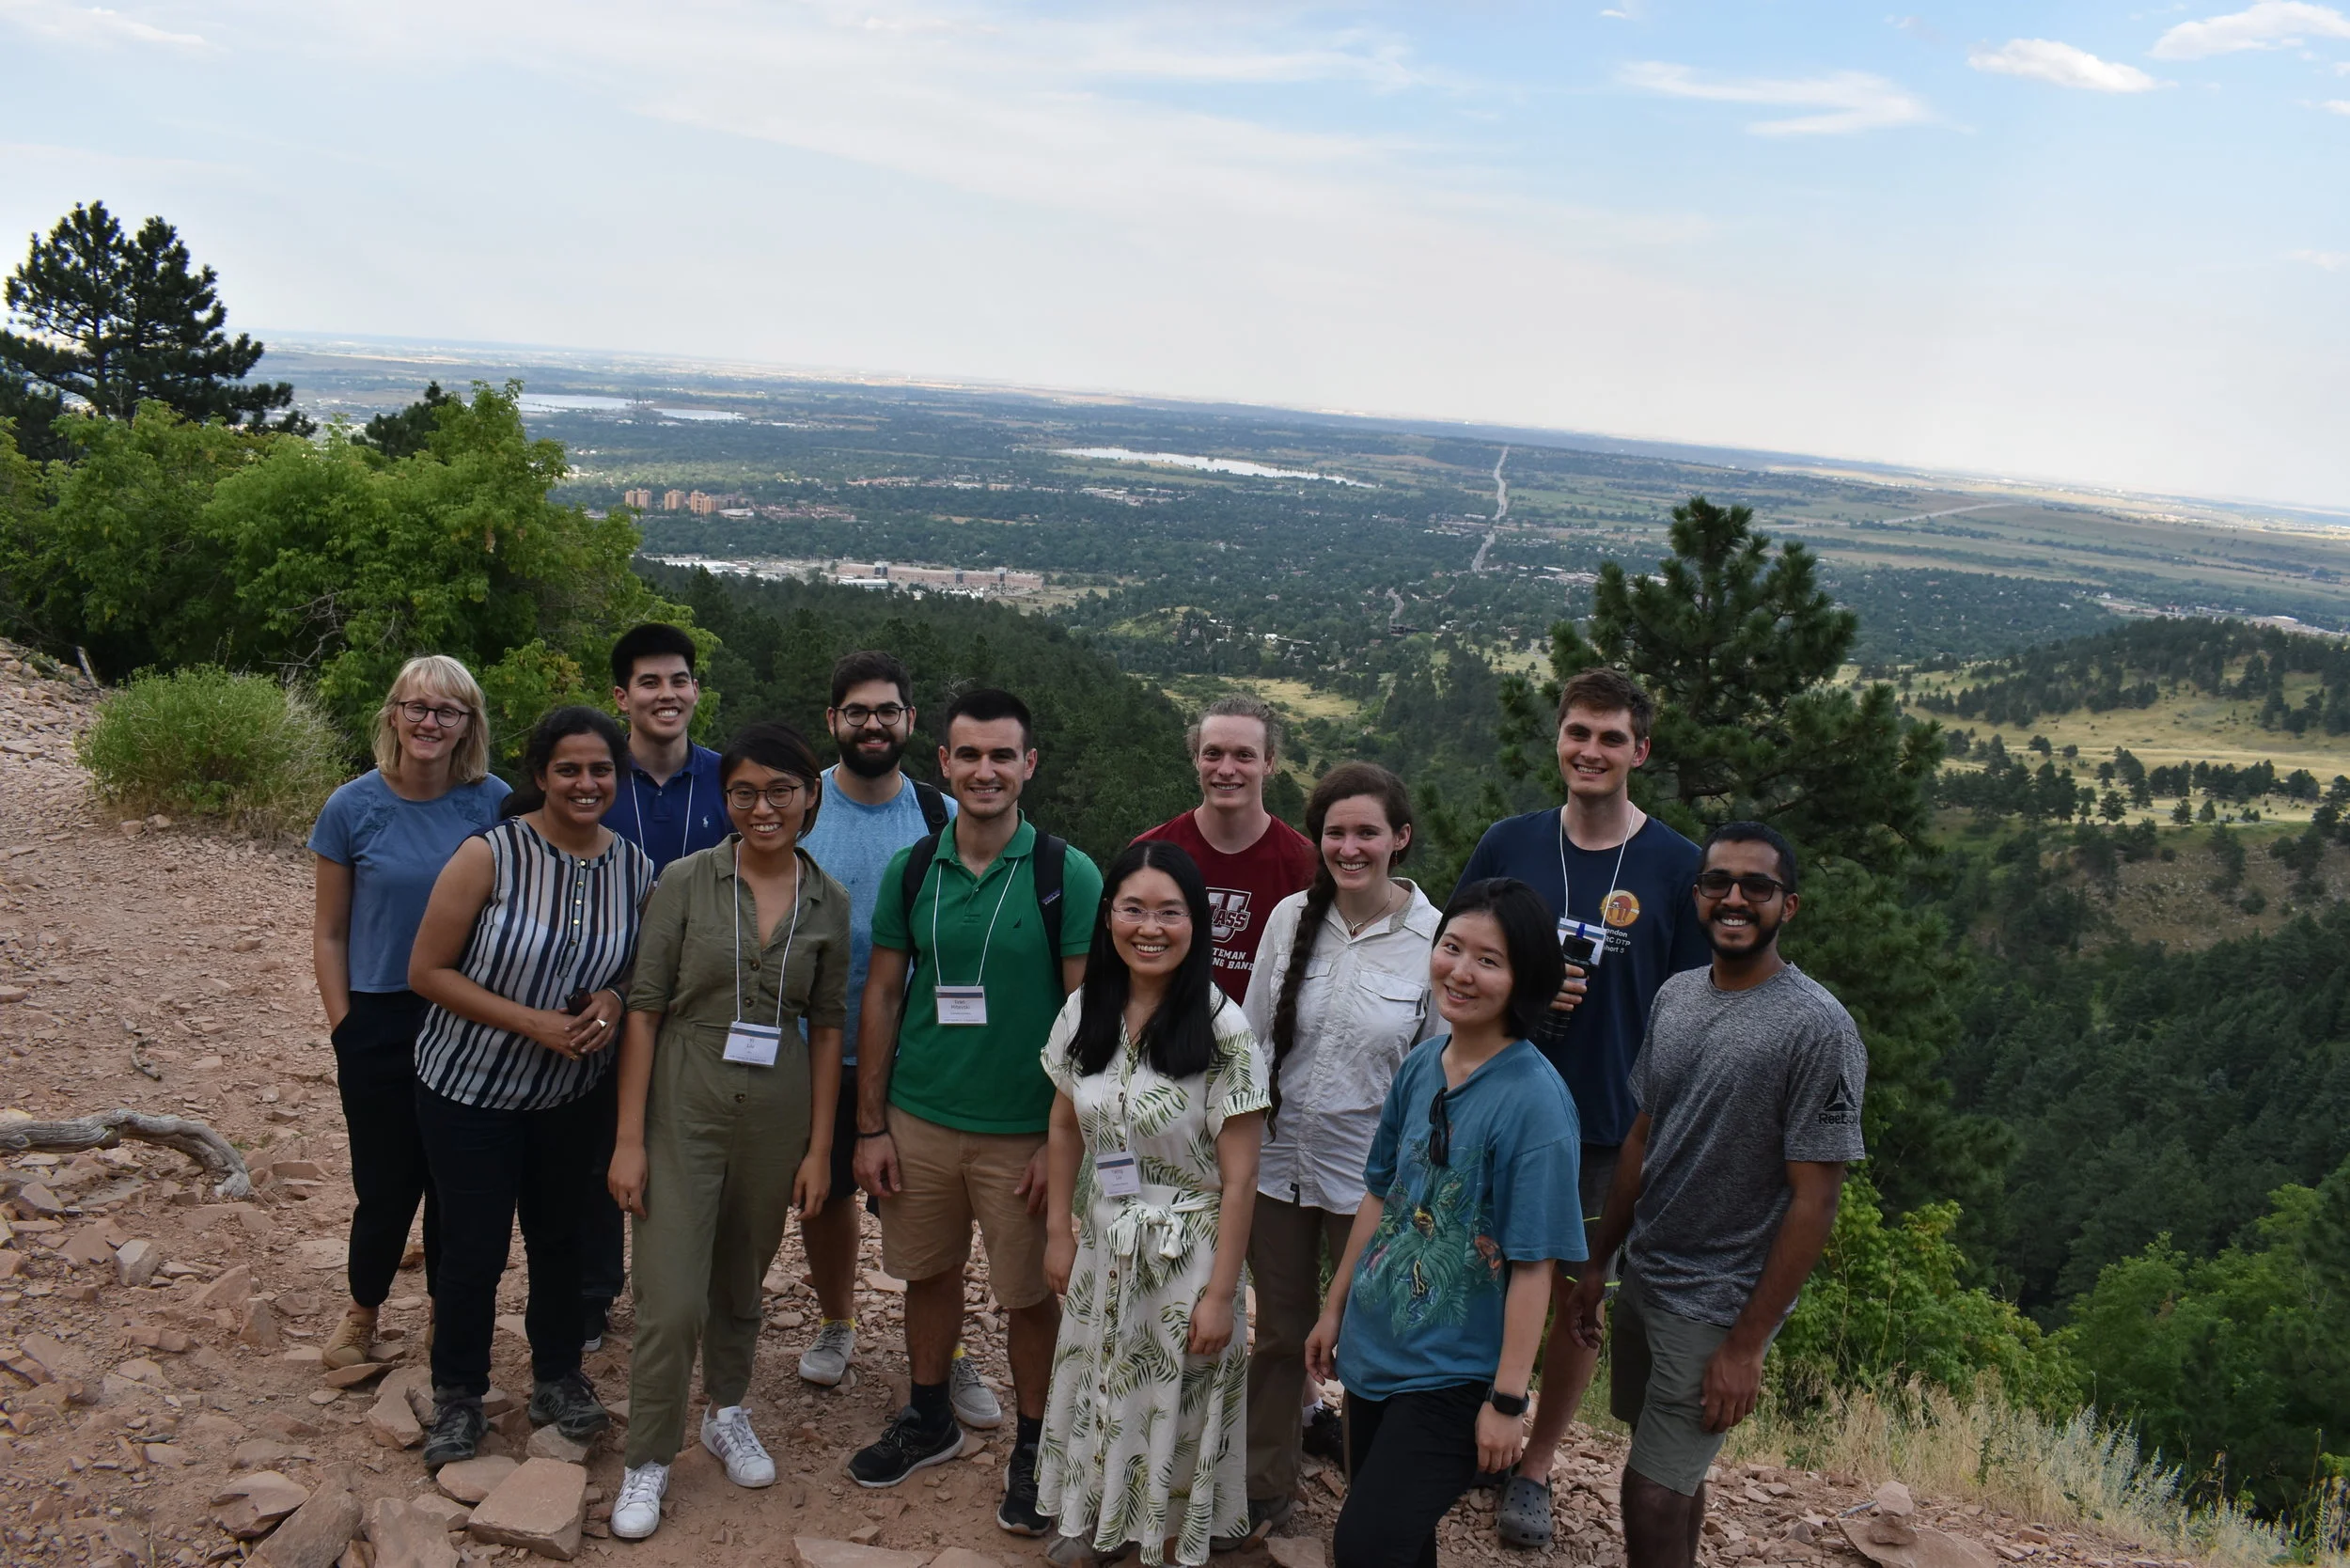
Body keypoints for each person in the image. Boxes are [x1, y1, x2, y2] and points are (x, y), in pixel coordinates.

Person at [1454, 667, 1710, 1550]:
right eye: (1577, 734)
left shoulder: (1677, 866)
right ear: (1557, 741)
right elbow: (1456, 957)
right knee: (1475, 1268)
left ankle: (1534, 1470)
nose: (1590, 751)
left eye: (1610, 738)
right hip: (1494, 1099)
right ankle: (1470, 1430)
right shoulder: (1511, 843)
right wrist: (1521, 990)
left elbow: (1693, 1005)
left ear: (1640, 750)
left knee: (1574, 1303)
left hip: (1609, 1120)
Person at [1565, 823, 1865, 1568]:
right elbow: (1642, 1135)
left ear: (1787, 906)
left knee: (1651, 1490)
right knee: (1668, 1464)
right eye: (1717, 884)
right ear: (1697, 897)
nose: (1734, 899)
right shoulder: (1675, 996)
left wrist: (1746, 1343)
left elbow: (1814, 1201)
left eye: (1756, 887)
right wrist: (1599, 1262)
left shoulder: (1818, 1027)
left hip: (1720, 1300)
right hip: (1649, 1273)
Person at [850, 687, 1104, 1538]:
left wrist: (1062, 1143)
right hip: (920, 1116)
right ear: (944, 764)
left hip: (1026, 1131)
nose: (985, 770)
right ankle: (931, 1416)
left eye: (1003, 755)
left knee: (1031, 1297)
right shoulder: (913, 867)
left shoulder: (1063, 873)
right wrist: (871, 1123)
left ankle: (1037, 1444)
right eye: (969, 755)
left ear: (1029, 765)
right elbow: (884, 995)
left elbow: (1086, 1019)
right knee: (926, 1273)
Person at [603, 723, 851, 1541]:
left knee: (743, 1280)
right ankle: (649, 1455)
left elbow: (825, 1028)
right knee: (670, 1298)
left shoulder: (831, 900)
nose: (762, 807)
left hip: (777, 1111)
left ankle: (726, 1410)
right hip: (684, 1097)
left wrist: (819, 1148)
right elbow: (644, 1009)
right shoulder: (685, 881)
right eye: (744, 791)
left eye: (781, 790)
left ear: (810, 795)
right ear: (727, 798)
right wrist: (629, 1138)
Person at [1303, 878, 1586, 1568]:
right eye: (1451, 948)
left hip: (1454, 1374)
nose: (1461, 972)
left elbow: (1535, 1263)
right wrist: (1334, 1307)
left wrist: (1509, 1400)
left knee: (1366, 1545)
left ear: (1524, 980)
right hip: (1376, 1349)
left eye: (1488, 960)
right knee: (1401, 1542)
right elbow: (1382, 1193)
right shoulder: (1425, 1063)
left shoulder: (1535, 1103)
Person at [407, 706, 654, 1467]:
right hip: (466, 1088)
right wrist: (530, 1022)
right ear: (542, 775)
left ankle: (556, 1375)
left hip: (567, 1097)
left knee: (559, 1241)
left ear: (619, 775)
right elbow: (427, 972)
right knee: (474, 1248)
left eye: (600, 769)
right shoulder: (491, 854)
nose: (586, 783)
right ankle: (458, 1393)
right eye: (569, 769)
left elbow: (633, 971)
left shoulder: (635, 869)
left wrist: (611, 998)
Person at [1036, 841, 1267, 1568]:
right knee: (1098, 1378)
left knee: (1173, 1401)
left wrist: (1222, 1295)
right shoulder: (1085, 1011)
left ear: (1196, 923)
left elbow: (1239, 1179)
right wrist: (1058, 1232)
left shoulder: (1223, 1030)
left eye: (1171, 912)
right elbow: (1064, 1121)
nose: (1150, 927)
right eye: (1134, 908)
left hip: (1186, 1254)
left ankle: (1163, 1535)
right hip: (1106, 1238)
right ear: (1110, 917)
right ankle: (1094, 1522)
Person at [1228, 763, 1437, 1545]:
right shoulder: (1289, 919)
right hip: (1280, 1167)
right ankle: (1261, 1486)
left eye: (1366, 833)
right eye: (1336, 834)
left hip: (1370, 1184)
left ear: (1400, 838)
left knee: (1372, 1349)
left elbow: (1434, 1079)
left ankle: (1376, 1510)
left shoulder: (1433, 941)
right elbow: (1248, 1041)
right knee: (1281, 1333)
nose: (1350, 848)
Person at [794, 652, 997, 1428]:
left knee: (931, 1212)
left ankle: (947, 1352)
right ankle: (836, 1320)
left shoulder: (943, 814)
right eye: (857, 711)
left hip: (918, 1057)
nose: (872, 724)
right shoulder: (803, 804)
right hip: (812, 1047)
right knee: (824, 1197)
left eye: (887, 711)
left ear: (912, 722)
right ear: (833, 720)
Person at [310, 656, 509, 1371]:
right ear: (392, 714)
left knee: (458, 1179)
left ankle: (442, 1315)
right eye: (417, 707)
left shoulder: (494, 803)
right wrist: (344, 1023)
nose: (430, 722)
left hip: (468, 1016)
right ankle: (363, 1311)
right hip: (378, 1017)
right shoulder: (351, 807)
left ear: (468, 726)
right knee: (385, 1183)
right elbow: (329, 930)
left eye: (447, 711)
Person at [586, 622, 730, 1349]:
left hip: (703, 1003)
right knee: (597, 1146)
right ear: (622, 696)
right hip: (603, 997)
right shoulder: (597, 776)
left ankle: (683, 1294)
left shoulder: (728, 778)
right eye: (649, 682)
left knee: (686, 1150)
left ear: (696, 690)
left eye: (678, 680)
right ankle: (591, 1294)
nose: (666, 694)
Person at [1136, 695, 1317, 1004]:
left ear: (1269, 762)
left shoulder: (1305, 864)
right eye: (1213, 754)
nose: (1226, 769)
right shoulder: (1149, 853)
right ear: (1196, 758)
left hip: (1260, 1046)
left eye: (1244, 755)